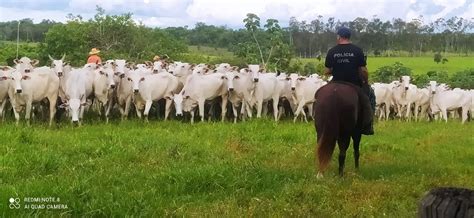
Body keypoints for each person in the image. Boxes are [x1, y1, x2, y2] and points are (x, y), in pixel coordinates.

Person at [324, 27, 374, 135]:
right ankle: (368, 125)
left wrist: (337, 69)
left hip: (336, 83)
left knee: (321, 95)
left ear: (339, 37)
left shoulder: (332, 51)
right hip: (354, 84)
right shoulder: (357, 50)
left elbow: (327, 71)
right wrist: (365, 81)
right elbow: (363, 70)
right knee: (370, 97)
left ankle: (321, 119)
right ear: (349, 37)